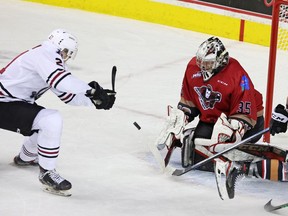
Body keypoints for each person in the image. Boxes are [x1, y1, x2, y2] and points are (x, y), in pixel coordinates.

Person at [157, 36, 287, 199]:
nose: (204, 66)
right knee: (198, 151)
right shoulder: (192, 68)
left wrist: (232, 131)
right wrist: (181, 119)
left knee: (219, 146)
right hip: (213, 119)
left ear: (221, 60)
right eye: (202, 62)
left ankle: (242, 165)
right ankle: (230, 161)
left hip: (248, 122)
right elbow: (189, 102)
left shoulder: (237, 74)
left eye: (209, 63)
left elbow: (245, 112)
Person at [0, 29, 116, 196]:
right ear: (62, 48)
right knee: (50, 120)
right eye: (67, 52)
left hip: (9, 103)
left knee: (42, 122)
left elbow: (67, 96)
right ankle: (47, 173)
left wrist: (94, 100)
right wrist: (91, 91)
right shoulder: (45, 54)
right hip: (4, 103)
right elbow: (64, 83)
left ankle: (25, 158)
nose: (67, 56)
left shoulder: (48, 59)